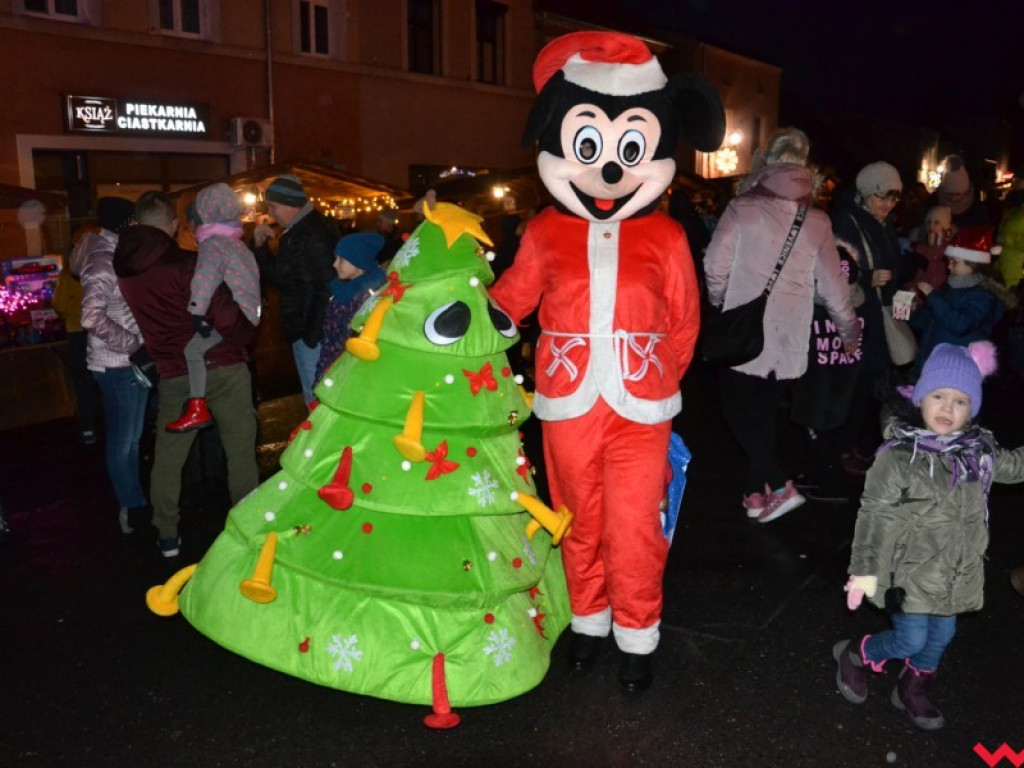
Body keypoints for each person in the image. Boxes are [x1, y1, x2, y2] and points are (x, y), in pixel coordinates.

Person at [490, 31, 725, 693]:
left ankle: (638, 633)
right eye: (590, 147)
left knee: (634, 525)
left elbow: (683, 323)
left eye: (629, 149)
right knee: (577, 518)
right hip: (565, 401)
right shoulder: (543, 230)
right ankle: (589, 621)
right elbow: (511, 299)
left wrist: (649, 374)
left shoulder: (667, 235)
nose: (610, 171)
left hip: (640, 406)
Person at [833, 340, 1024, 730]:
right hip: (906, 574)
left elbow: (1017, 466)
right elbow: (874, 514)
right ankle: (857, 652)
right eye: (938, 396)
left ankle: (912, 687)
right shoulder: (901, 456)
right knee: (910, 640)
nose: (947, 409)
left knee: (941, 637)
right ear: (920, 399)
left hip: (954, 574)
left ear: (972, 409)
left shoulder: (978, 453)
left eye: (960, 401)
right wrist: (865, 570)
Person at [704, 127, 859, 522]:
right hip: (790, 339)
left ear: (765, 165)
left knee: (736, 409)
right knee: (764, 414)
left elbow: (714, 265)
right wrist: (848, 334)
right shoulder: (819, 221)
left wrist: (722, 303)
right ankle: (756, 496)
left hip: (746, 335)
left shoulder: (743, 208)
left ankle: (779, 482)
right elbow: (833, 287)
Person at [114, 191, 259, 558]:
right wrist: (246, 333)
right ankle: (249, 531)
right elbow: (224, 314)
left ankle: (167, 535)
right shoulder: (188, 263)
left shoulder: (125, 270)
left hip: (173, 373)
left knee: (168, 458)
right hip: (224, 366)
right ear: (174, 224)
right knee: (239, 452)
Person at [831, 161, 917, 474]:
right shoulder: (847, 222)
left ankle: (852, 446)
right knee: (853, 388)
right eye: (882, 197)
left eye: (894, 199)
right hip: (856, 320)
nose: (888, 206)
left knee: (869, 387)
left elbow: (893, 268)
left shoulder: (879, 225)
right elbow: (836, 270)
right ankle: (841, 451)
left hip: (878, 317)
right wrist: (867, 277)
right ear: (866, 194)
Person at [77, 196, 149, 535]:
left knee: (131, 440)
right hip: (117, 364)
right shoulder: (103, 262)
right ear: (124, 223)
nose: (136, 225)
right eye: (132, 220)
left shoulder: (117, 255)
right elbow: (91, 316)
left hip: (126, 362)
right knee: (124, 441)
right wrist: (134, 345)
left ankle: (134, 502)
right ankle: (131, 507)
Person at [166, 183, 261, 433]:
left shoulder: (213, 244)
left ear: (205, 213)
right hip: (249, 315)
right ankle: (198, 405)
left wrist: (196, 311)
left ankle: (197, 406)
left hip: (237, 316)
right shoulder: (237, 243)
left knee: (193, 350)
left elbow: (206, 277)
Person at [252, 175, 336, 407]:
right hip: (304, 328)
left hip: (311, 332)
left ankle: (320, 443)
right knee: (315, 396)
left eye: (274, 206)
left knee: (317, 399)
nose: (271, 212)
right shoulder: (299, 230)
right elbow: (282, 278)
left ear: (289, 203)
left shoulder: (310, 234)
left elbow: (327, 285)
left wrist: (310, 335)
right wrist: (261, 248)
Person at [910, 227, 1006, 374]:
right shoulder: (949, 287)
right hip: (931, 360)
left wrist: (933, 298)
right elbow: (930, 322)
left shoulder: (982, 296)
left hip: (956, 367)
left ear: (973, 264)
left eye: (955, 262)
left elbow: (961, 325)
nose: (949, 266)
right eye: (949, 261)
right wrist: (913, 311)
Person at [314, 231, 386, 384]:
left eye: (341, 259)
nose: (334, 264)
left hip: (350, 375)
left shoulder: (369, 299)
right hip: (332, 367)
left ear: (359, 262)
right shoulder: (341, 291)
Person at [52, 234, 100, 446]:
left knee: (82, 382)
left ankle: (88, 429)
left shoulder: (68, 275)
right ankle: (112, 424)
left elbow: (60, 305)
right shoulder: (102, 269)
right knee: (104, 378)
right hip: (100, 331)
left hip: (77, 331)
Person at [932, 154, 991, 231]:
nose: (954, 198)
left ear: (965, 191)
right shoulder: (934, 203)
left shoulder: (977, 209)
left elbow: (985, 231)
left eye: (958, 194)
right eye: (950, 194)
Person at [906, 205, 952, 293]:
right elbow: (909, 274)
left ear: (945, 226)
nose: (931, 226)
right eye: (928, 222)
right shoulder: (918, 246)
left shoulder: (949, 249)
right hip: (913, 291)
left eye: (936, 222)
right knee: (900, 303)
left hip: (936, 295)